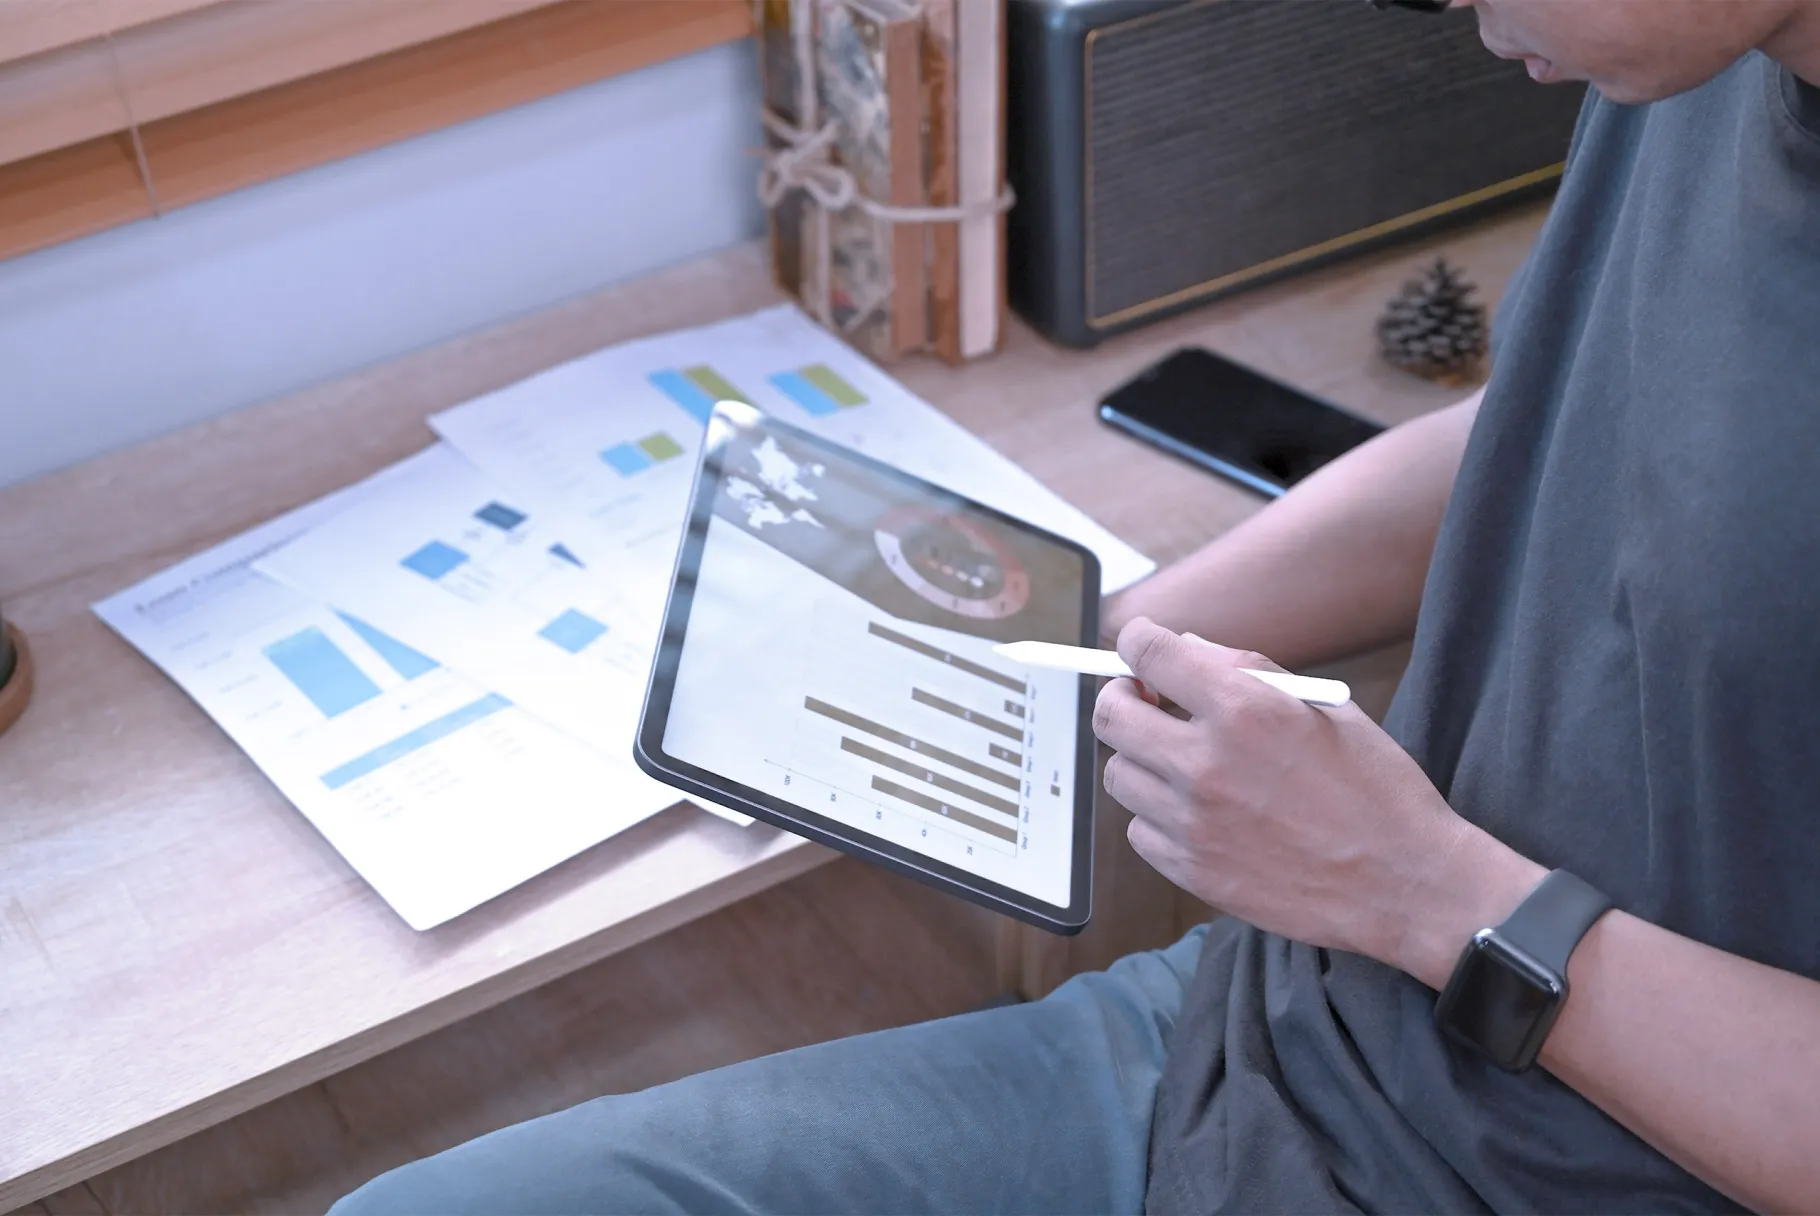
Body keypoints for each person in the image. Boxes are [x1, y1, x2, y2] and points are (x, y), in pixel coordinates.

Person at [333, 0, 1820, 1211]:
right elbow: (1570, 420)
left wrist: (1424, 892)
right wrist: (1090, 634)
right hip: (1270, 1039)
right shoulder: (1681, 58)